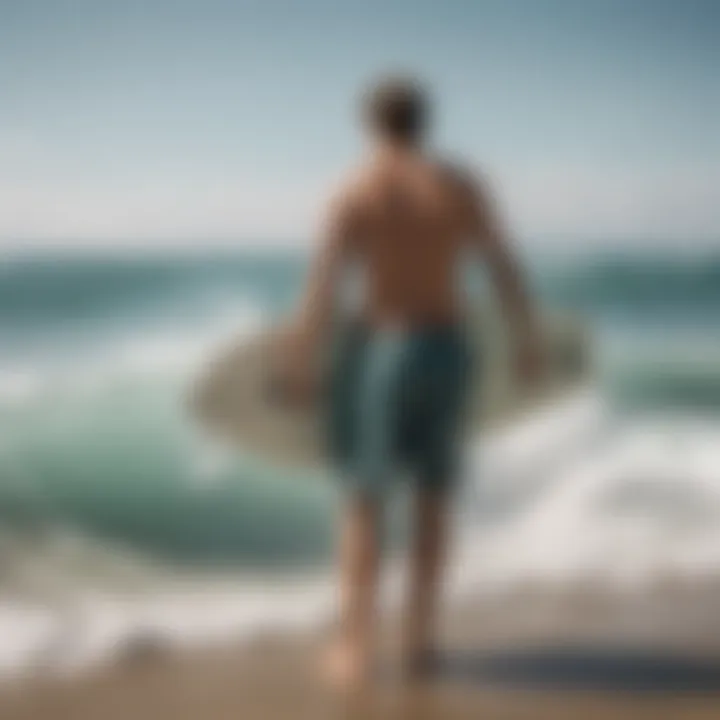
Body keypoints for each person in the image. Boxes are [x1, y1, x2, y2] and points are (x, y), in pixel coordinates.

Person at [277, 75, 542, 690]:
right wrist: (526, 341)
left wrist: (299, 366)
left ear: (368, 125)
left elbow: (322, 290)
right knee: (435, 496)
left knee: (364, 504)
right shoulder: (463, 186)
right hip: (450, 349)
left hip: (385, 352)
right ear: (426, 121)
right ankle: (422, 642)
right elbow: (504, 267)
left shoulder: (358, 190)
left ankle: (355, 648)